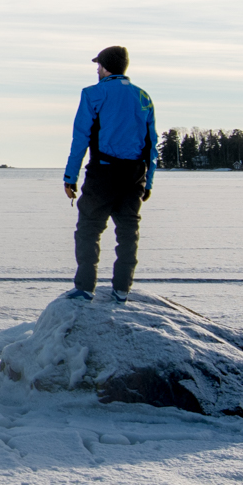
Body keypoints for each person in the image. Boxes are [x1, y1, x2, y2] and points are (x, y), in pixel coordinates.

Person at [63, 45, 156, 300]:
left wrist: (69, 178)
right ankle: (122, 289)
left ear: (105, 67)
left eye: (98, 65)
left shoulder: (93, 93)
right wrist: (149, 182)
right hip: (134, 174)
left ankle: (84, 288)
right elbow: (151, 144)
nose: (96, 69)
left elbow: (79, 139)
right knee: (128, 233)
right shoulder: (143, 97)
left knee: (89, 229)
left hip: (102, 174)